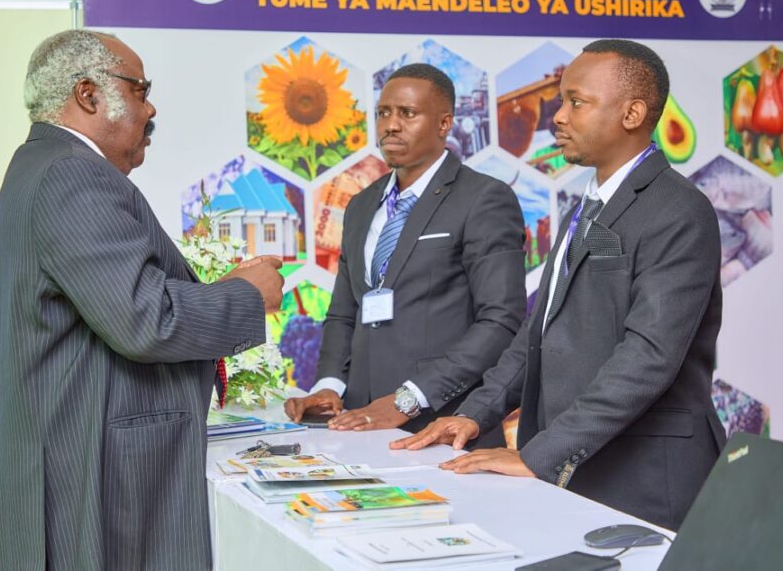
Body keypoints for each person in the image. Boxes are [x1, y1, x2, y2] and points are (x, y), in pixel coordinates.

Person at [391, 39, 725, 531]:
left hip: (646, 480)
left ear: (632, 113)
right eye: (561, 100)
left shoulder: (678, 210)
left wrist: (540, 455)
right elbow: (539, 333)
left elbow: (648, 358)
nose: (558, 117)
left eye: (576, 102)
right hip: (580, 469)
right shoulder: (585, 208)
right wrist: (475, 414)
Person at [0, 29, 284, 570]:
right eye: (140, 90)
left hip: (77, 445)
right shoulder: (72, 173)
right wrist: (247, 294)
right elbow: (145, 319)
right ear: (88, 94)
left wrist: (222, 290)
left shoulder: (44, 164)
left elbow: (114, 303)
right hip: (98, 465)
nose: (151, 109)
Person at [284, 63, 526, 441]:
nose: (391, 125)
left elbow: (500, 321)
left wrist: (408, 399)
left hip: (444, 425)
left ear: (444, 123)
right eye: (383, 113)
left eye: (407, 113)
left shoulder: (484, 198)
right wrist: (329, 385)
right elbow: (344, 313)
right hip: (359, 420)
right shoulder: (362, 204)